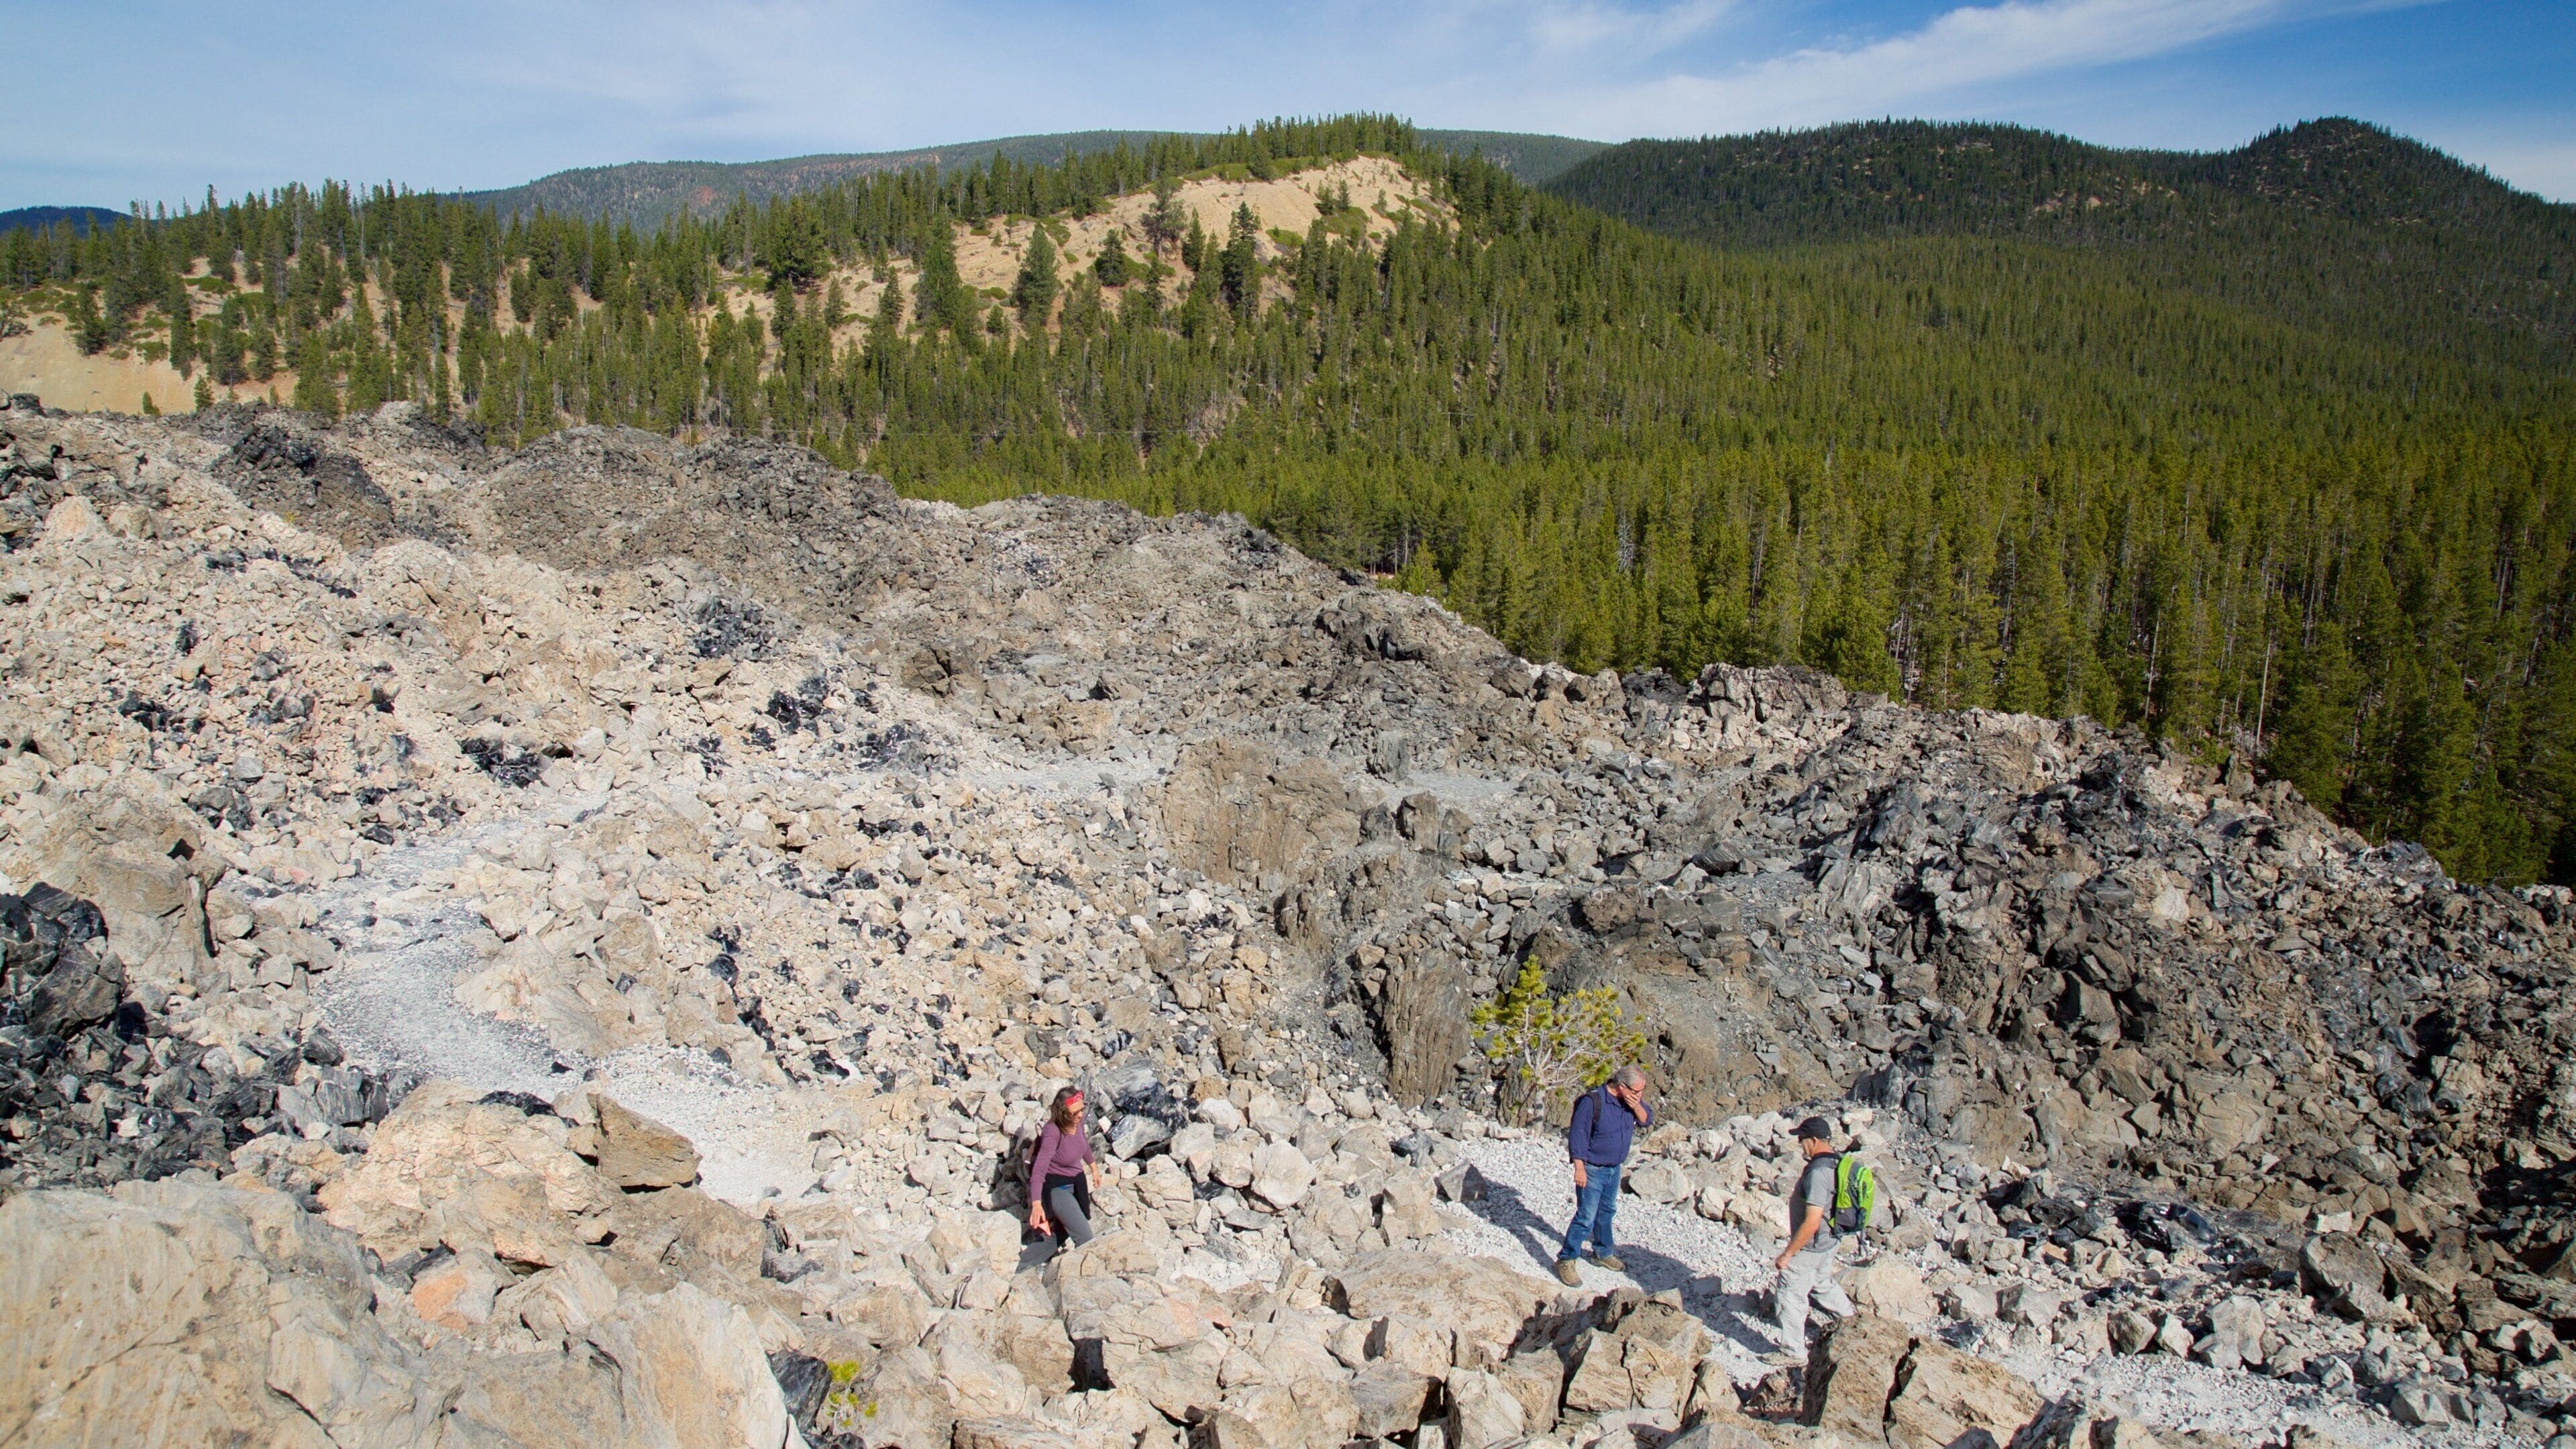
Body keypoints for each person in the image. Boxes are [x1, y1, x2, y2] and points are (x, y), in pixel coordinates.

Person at [1766, 1116, 1857, 1364]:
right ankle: (1852, 1323)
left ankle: (1793, 1352)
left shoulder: (1819, 1172)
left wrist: (1788, 1254)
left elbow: (1813, 1220)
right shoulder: (1837, 1162)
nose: (1799, 1144)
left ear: (1814, 1140)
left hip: (1811, 1246)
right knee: (1822, 1283)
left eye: (1802, 1139)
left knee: (1790, 1292)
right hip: (1829, 1242)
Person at [1556, 1065, 1653, 1285]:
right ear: (1621, 1086)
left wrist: (1637, 1104)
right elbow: (1578, 1136)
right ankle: (1566, 1258)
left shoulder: (1630, 1102)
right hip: (1592, 1169)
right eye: (1636, 1091)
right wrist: (1579, 1169)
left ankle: (1603, 1252)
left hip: (1614, 1168)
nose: (1639, 1095)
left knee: (1607, 1211)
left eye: (1641, 1092)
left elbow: (1647, 1120)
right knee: (1586, 1217)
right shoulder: (1592, 1102)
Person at [1026, 1085, 1102, 1248]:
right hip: (1056, 1187)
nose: (1081, 1115)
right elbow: (1039, 1169)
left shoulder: (1077, 1121)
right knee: (1085, 1237)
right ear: (1063, 1113)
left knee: (1058, 1236)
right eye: (1075, 1113)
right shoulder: (1052, 1132)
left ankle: (1024, 1266)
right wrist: (1037, 1203)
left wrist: (1094, 1169)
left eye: (1082, 1109)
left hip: (1076, 1182)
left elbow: (1083, 1145)